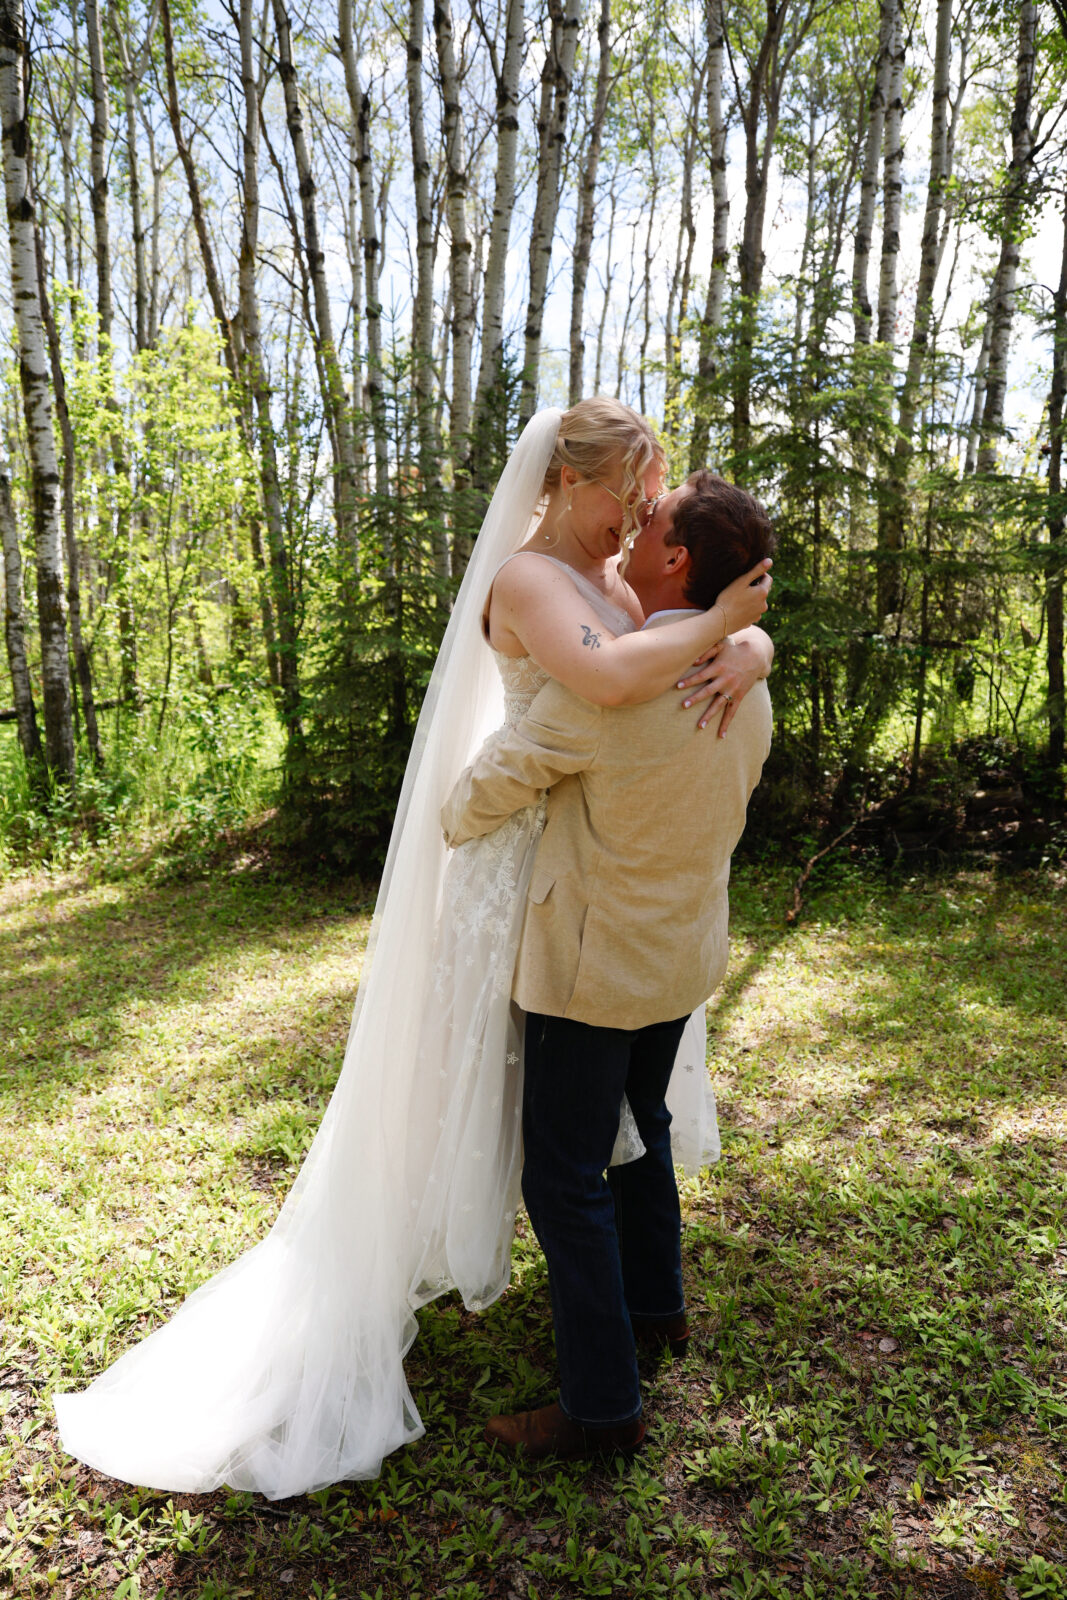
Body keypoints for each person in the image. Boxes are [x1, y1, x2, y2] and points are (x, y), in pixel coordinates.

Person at [53, 404, 771, 1501]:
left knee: (574, 1151)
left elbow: (612, 690)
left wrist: (743, 635)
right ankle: (629, 1306)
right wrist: (738, 627)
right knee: (555, 1108)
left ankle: (610, 1379)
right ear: (568, 483)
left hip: (586, 899)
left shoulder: (627, 596)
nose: (631, 515)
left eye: (646, 501)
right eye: (625, 490)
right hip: (569, 894)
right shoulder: (540, 580)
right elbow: (624, 677)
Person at [440, 469, 776, 1460]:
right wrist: (751, 638)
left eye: (654, 523)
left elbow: (488, 791)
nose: (634, 526)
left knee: (565, 1172)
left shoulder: (610, 692)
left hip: (589, 966)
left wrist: (437, 822)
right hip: (679, 953)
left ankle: (599, 1407)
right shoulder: (742, 679)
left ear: (675, 560)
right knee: (647, 1121)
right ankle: (657, 1308)